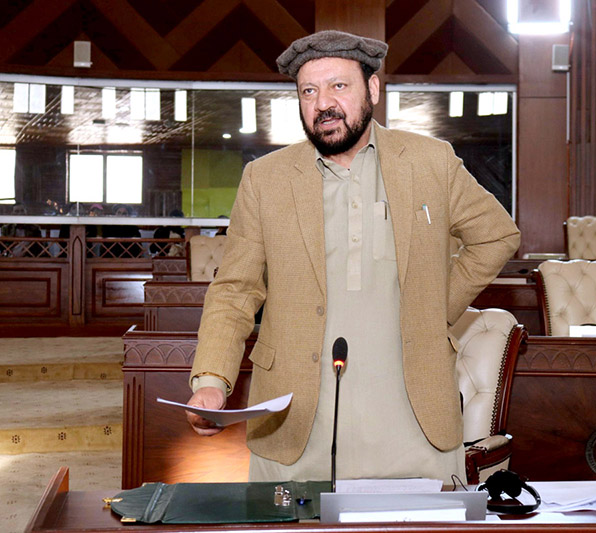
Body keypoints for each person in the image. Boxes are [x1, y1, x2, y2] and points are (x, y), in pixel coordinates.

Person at [185, 30, 521, 483]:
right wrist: (211, 380)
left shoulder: (430, 162)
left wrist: (433, 306)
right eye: (309, 91)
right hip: (297, 422)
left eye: (338, 86)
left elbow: (497, 236)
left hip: (413, 422)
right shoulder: (265, 179)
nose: (323, 102)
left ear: (373, 89)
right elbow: (235, 290)